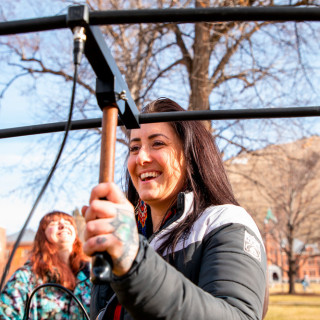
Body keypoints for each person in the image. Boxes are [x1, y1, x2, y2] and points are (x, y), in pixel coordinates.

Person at [82, 98, 269, 320]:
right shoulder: (130, 231)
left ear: (190, 155)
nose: (141, 157)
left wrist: (134, 261)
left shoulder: (225, 222)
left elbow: (239, 316)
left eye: (158, 143)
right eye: (134, 147)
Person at [0, 211, 91, 319]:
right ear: (43, 235)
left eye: (68, 222)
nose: (63, 225)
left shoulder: (91, 275)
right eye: (53, 223)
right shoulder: (26, 277)